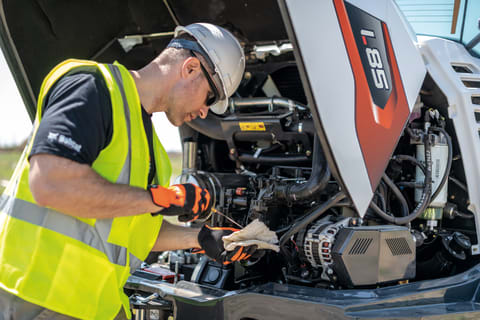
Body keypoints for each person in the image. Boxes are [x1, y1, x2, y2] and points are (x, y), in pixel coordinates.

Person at [0, 23, 251, 319]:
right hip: (35, 297)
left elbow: (135, 229)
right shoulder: (93, 86)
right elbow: (50, 183)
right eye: (211, 97)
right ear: (191, 68)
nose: (204, 112)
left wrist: (202, 239)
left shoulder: (152, 151)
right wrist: (160, 198)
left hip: (96, 308)